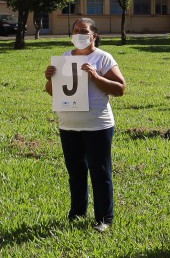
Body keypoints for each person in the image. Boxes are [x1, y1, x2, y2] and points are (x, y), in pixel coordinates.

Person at [44, 18, 127, 233]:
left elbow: (120, 89)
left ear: (94, 36)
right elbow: (53, 91)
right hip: (68, 125)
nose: (79, 34)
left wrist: (95, 76)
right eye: (75, 31)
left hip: (97, 125)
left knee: (100, 173)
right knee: (76, 172)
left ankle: (104, 218)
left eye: (83, 31)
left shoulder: (103, 57)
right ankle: (77, 213)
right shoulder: (64, 58)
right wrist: (50, 79)